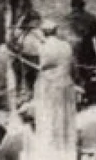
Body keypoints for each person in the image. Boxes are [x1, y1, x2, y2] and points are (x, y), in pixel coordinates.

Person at [31, 19, 77, 160]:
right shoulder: (66, 46)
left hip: (49, 87)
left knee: (49, 121)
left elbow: (42, 65)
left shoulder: (43, 47)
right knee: (66, 120)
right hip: (66, 85)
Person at [64, 0, 96, 83]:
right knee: (88, 79)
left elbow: (62, 37)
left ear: (72, 6)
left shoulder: (67, 18)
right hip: (88, 52)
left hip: (71, 52)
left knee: (72, 79)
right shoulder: (91, 18)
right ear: (83, 5)